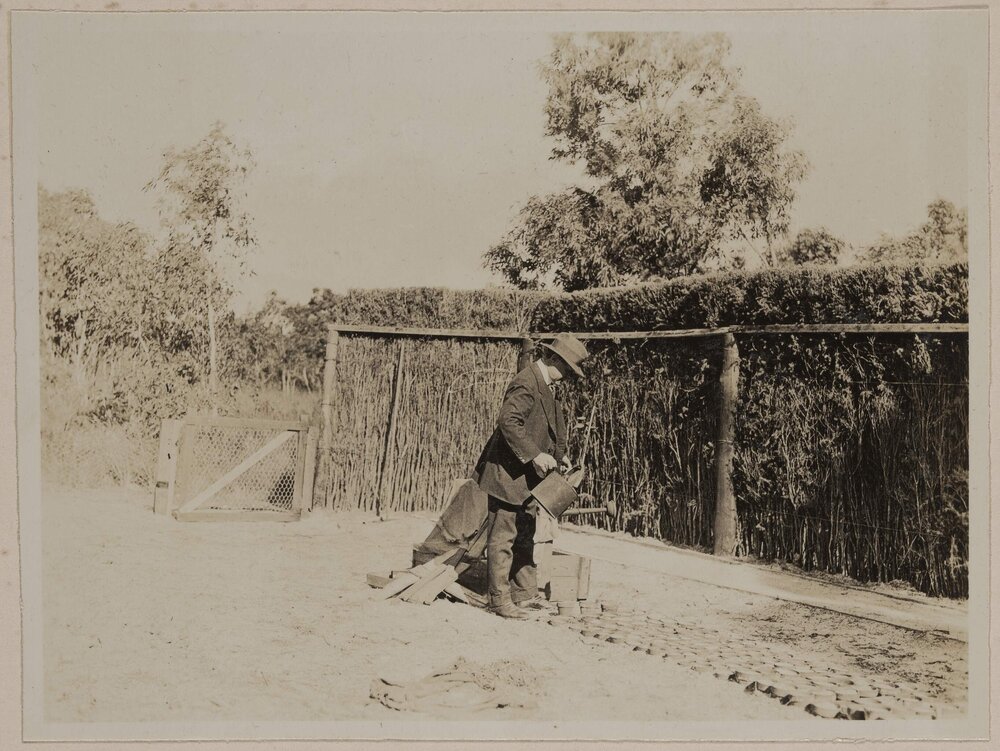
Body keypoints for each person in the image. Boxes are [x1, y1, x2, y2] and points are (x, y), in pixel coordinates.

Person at [472, 333, 589, 619]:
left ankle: (523, 594)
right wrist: (535, 455)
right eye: (567, 369)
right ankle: (499, 600)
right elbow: (509, 422)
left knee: (525, 533)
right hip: (507, 475)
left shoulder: (545, 384)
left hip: (526, 478)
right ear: (552, 358)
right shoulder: (526, 381)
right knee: (503, 538)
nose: (568, 376)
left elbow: (542, 426)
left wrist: (559, 455)